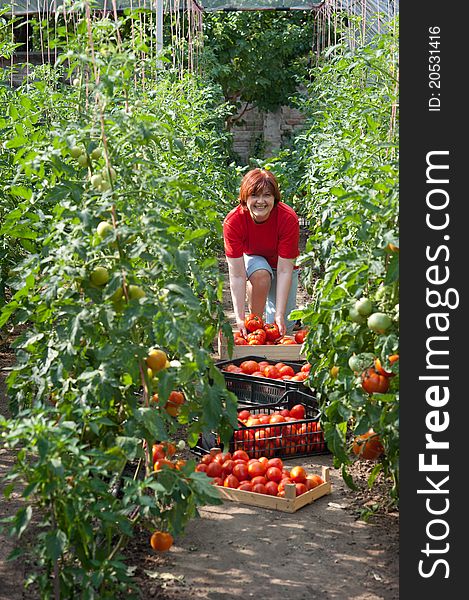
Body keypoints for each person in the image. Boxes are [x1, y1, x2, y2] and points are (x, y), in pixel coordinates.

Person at [223, 168, 300, 338]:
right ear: (245, 198)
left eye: (267, 195)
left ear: (275, 198)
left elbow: (284, 270)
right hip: (254, 259)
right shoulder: (233, 221)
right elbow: (237, 275)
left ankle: (285, 317)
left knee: (281, 328)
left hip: (282, 266)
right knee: (261, 275)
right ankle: (254, 322)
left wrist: (279, 315)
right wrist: (240, 318)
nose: (260, 201)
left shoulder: (287, 218)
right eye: (254, 195)